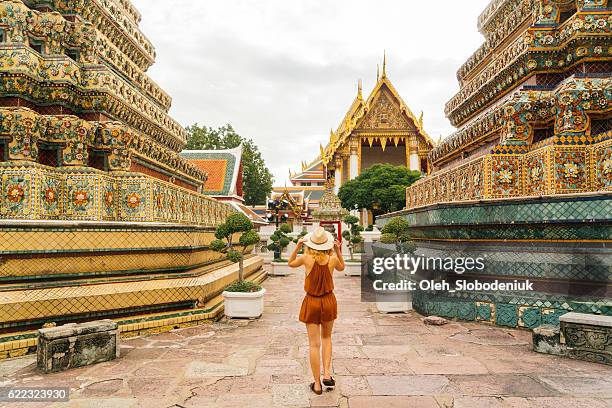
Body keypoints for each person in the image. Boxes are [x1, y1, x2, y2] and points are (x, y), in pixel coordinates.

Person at [288, 227, 345, 395]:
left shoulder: (306, 258)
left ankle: (317, 385)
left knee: (314, 344)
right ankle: (327, 374)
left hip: (311, 301)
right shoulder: (332, 259)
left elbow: (290, 263)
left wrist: (298, 246)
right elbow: (342, 267)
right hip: (328, 301)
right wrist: (338, 250)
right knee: (327, 338)